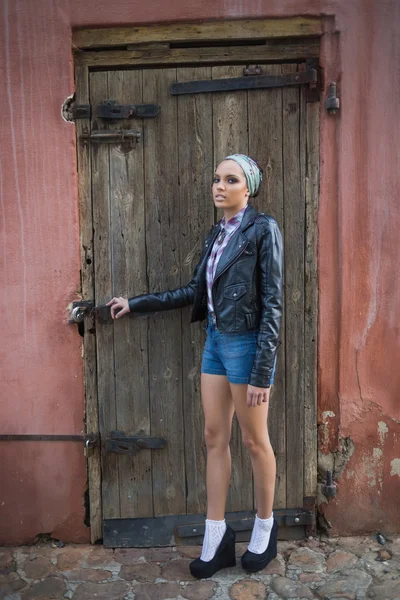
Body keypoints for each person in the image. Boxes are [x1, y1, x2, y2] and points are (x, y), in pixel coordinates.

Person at [107, 153, 283, 578]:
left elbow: (274, 304)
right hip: (216, 344)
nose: (219, 186)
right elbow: (192, 291)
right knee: (213, 437)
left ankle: (264, 528)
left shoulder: (263, 230)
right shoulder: (217, 234)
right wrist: (136, 304)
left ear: (249, 188)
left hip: (247, 346)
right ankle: (217, 535)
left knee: (254, 441)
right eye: (216, 179)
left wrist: (263, 370)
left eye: (230, 179)